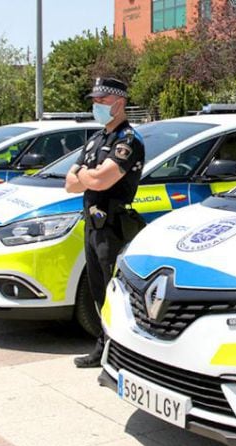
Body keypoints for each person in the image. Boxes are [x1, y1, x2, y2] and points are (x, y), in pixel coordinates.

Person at [65, 77, 146, 368]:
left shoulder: (128, 141)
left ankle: (122, 356)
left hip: (113, 225)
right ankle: (104, 348)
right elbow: (69, 183)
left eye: (101, 101)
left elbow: (100, 180)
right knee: (98, 291)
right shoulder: (96, 140)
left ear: (119, 103)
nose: (95, 106)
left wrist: (88, 176)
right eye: (94, 101)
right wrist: (91, 176)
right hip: (92, 224)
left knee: (116, 293)